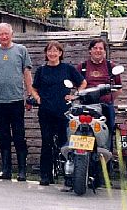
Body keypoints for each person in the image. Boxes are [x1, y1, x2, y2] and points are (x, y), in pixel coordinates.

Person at [31, 41, 86, 186]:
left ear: (60, 53)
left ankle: (68, 175)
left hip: (64, 111)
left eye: (55, 51)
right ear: (46, 53)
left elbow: (83, 83)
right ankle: (45, 175)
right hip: (46, 111)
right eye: (50, 51)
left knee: (65, 143)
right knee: (46, 142)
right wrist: (37, 98)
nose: (52, 54)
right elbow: (34, 88)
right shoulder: (41, 71)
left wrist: (75, 95)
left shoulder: (67, 69)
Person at [0, 23, 33, 181]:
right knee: (3, 136)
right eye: (1, 34)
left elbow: (27, 74)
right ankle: (5, 170)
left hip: (17, 100)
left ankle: (21, 170)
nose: (4, 37)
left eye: (6, 34)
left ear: (12, 34)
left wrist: (30, 95)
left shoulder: (21, 50)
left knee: (19, 136)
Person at [76, 38, 122, 143]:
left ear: (105, 51)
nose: (98, 50)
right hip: (86, 107)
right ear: (90, 50)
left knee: (107, 135)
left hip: (105, 107)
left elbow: (118, 88)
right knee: (82, 133)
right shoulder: (82, 67)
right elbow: (77, 88)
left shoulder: (111, 67)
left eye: (101, 48)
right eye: (95, 48)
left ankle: (106, 158)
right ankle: (81, 157)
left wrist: (108, 99)